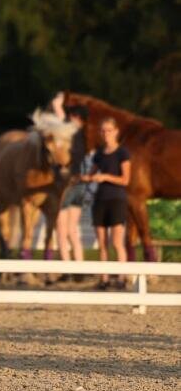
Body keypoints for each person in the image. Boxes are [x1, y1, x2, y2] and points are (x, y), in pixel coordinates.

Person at [88, 116, 131, 290]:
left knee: (117, 243)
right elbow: (91, 174)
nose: (106, 134)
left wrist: (105, 177)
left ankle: (121, 277)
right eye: (103, 130)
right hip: (100, 200)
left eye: (109, 130)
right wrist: (81, 178)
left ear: (116, 132)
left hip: (116, 200)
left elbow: (125, 180)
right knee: (102, 243)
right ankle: (104, 278)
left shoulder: (123, 153)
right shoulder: (98, 154)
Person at [52, 102, 91, 275]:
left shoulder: (71, 135)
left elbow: (60, 120)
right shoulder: (84, 136)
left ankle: (67, 270)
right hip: (81, 185)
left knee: (61, 231)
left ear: (76, 118)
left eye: (72, 116)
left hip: (68, 185)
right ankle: (80, 268)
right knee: (73, 230)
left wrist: (57, 105)